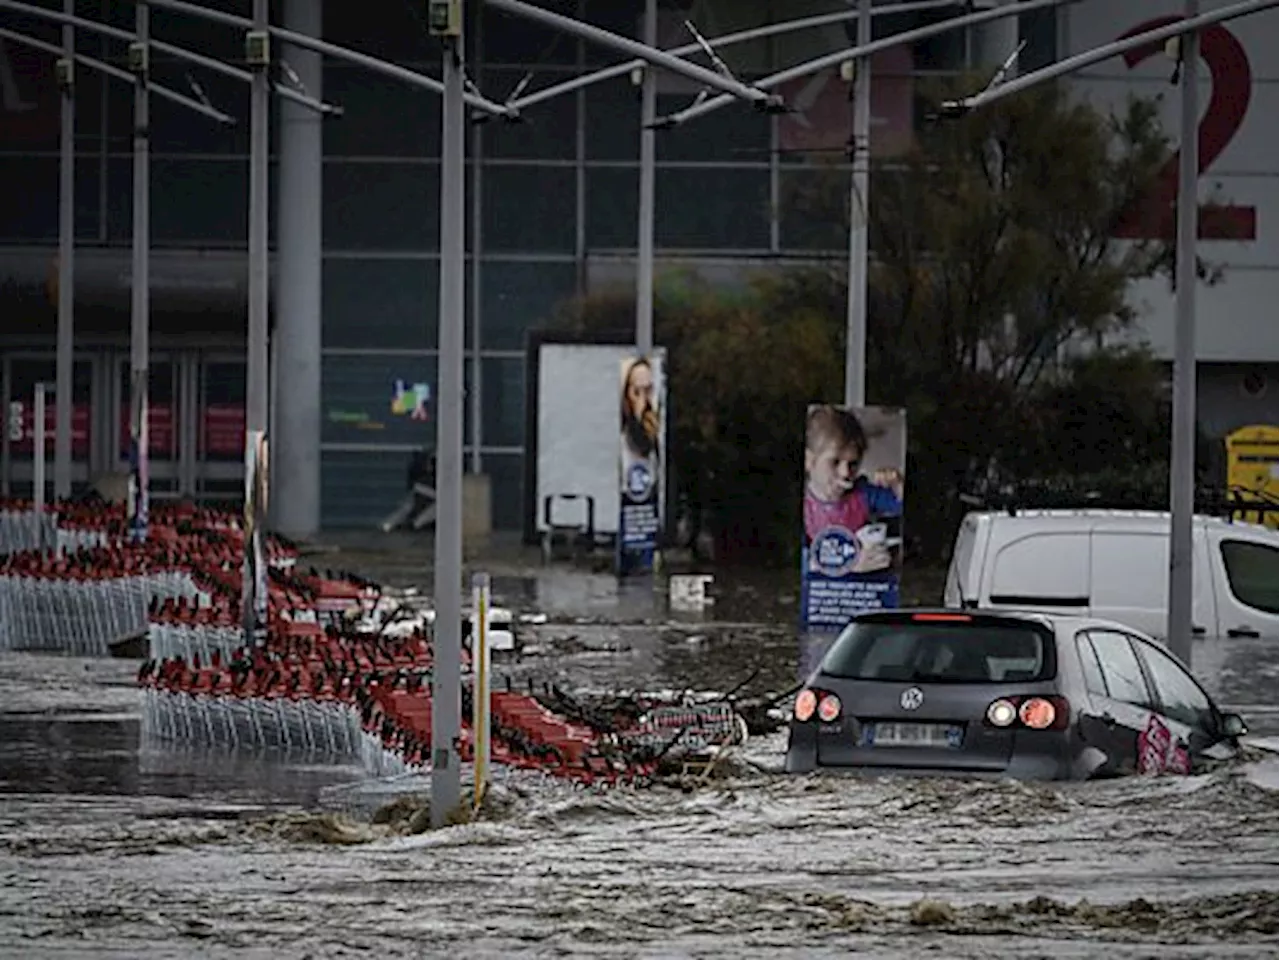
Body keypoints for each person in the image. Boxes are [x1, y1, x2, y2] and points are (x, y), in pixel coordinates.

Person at [804, 405, 903, 573]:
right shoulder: (806, 505)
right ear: (809, 461)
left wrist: (898, 486)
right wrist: (849, 564)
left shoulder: (863, 493)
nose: (845, 473)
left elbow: (899, 506)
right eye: (834, 462)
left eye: (853, 464)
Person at [620, 357, 661, 501]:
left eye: (648, 390)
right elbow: (638, 444)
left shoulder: (657, 427)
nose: (643, 399)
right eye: (637, 391)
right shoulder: (622, 435)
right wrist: (637, 415)